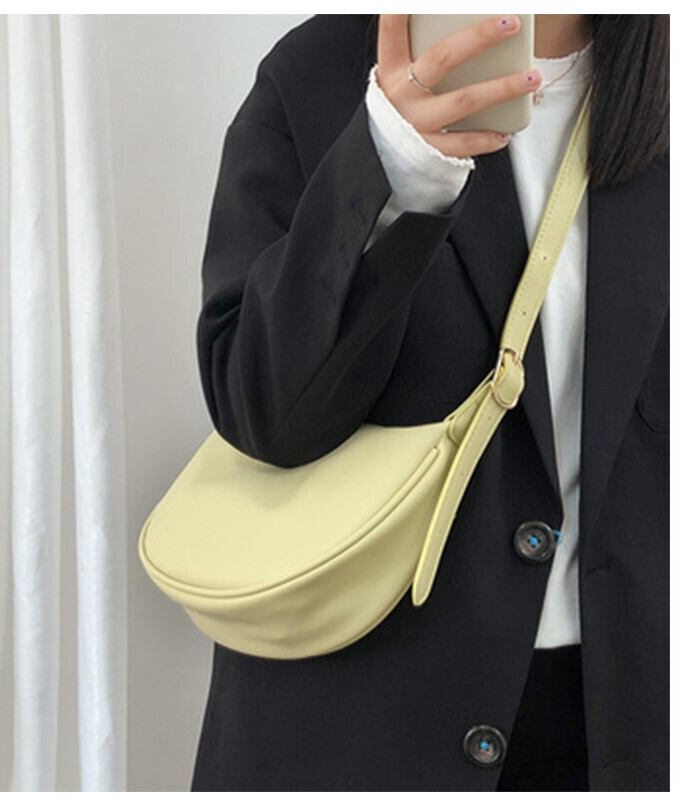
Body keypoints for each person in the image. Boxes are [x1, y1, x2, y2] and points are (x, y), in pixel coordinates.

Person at [190, 14, 668, 791]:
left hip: (627, 720)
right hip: (362, 725)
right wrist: (391, 166)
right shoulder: (319, 74)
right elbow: (264, 414)